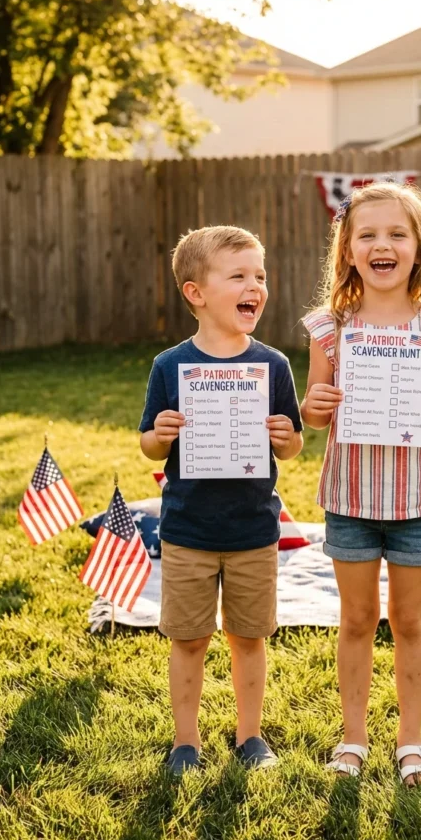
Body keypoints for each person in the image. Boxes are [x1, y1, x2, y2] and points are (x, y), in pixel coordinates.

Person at [301, 181, 421, 786]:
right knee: (355, 618)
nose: (382, 245)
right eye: (367, 235)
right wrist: (315, 403)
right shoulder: (330, 327)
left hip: (417, 499)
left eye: (397, 234)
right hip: (350, 496)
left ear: (418, 247)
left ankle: (411, 742)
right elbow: (315, 410)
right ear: (347, 249)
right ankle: (352, 739)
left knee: (409, 620)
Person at [140, 225, 303, 774]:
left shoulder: (273, 366)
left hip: (255, 530)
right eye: (238, 275)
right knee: (188, 640)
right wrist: (161, 433)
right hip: (187, 531)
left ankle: (249, 736)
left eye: (259, 275)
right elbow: (148, 445)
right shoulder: (170, 366)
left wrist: (287, 438)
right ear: (196, 293)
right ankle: (185, 742)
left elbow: (296, 445)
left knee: (248, 637)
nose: (254, 284)